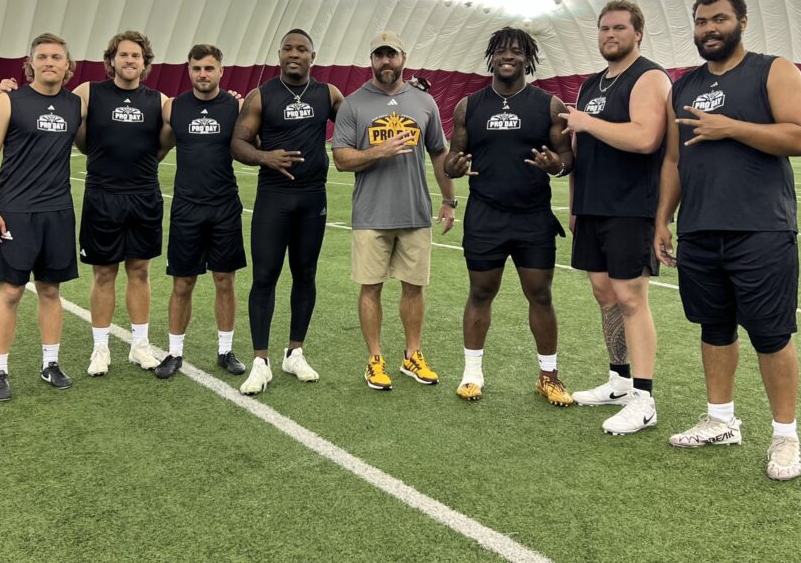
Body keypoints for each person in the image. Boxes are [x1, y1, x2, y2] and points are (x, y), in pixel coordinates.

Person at [655, 0, 801, 481]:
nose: (709, 28)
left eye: (719, 19)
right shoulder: (683, 87)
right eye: (701, 21)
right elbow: (673, 159)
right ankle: (720, 420)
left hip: (761, 228)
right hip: (700, 229)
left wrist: (733, 127)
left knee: (771, 334)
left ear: (741, 22)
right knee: (714, 327)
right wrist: (663, 218)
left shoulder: (773, 70)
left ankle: (785, 436)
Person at [0, 31, 166, 375]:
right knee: (103, 273)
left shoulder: (160, 101)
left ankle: (140, 345)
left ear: (145, 62)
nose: (129, 60)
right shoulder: (88, 93)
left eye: (136, 55)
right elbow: (51, 106)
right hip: (101, 195)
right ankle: (100, 348)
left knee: (140, 271)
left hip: (144, 196)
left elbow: (168, 140)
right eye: (123, 55)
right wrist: (9, 94)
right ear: (111, 60)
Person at [444, 26, 575, 405]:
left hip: (533, 217)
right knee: (480, 292)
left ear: (527, 58)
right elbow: (452, 159)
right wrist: (454, 167)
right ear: (491, 57)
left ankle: (548, 377)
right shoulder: (468, 106)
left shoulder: (549, 105)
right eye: (501, 50)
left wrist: (555, 166)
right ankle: (472, 374)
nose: (508, 56)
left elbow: (567, 157)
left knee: (541, 294)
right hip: (485, 215)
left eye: (517, 51)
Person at [559, 0, 671, 435]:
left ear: (638, 33)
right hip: (593, 205)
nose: (610, 35)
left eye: (619, 28)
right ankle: (620, 381)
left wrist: (587, 122)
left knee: (630, 297)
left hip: (631, 205)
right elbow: (579, 147)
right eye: (604, 28)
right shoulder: (591, 83)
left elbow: (645, 138)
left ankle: (644, 398)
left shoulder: (649, 76)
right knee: (604, 294)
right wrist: (574, 204)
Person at [332, 31, 456, 390]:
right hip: (371, 214)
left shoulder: (424, 102)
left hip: (415, 213)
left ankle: (412, 355)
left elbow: (439, 153)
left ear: (403, 58)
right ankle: (374, 359)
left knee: (414, 288)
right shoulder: (354, 104)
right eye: (379, 55)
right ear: (371, 60)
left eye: (392, 54)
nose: (386, 61)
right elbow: (341, 159)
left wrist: (449, 201)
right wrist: (378, 152)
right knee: (370, 288)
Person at [230, 29, 344, 394]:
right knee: (264, 277)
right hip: (274, 198)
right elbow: (238, 143)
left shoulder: (328, 94)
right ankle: (260, 361)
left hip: (312, 198)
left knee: (305, 274)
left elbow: (355, 124)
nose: (295, 54)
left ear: (313, 56)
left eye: (302, 49)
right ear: (279, 54)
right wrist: (265, 156)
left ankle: (294, 352)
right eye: (288, 48)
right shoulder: (262, 95)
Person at [0, 33, 85, 400]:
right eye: (42, 57)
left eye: (56, 57)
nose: (49, 62)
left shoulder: (76, 104)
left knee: (51, 290)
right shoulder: (8, 101)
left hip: (58, 211)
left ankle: (50, 364)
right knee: (10, 292)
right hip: (15, 212)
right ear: (31, 64)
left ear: (67, 65)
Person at [152, 45, 247, 379]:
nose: (202, 74)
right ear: (189, 70)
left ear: (221, 71)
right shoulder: (173, 108)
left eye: (209, 68)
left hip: (224, 206)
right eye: (196, 68)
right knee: (183, 283)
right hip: (186, 208)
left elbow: (256, 141)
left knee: (225, 280)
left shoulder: (236, 107)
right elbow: (157, 150)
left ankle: (225, 351)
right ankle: (174, 353)